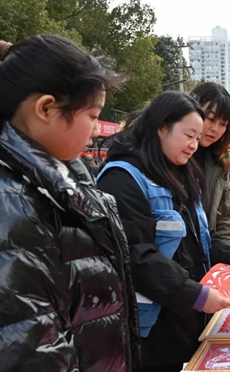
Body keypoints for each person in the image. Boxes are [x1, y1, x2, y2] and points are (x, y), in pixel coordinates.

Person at [0, 36, 140, 371]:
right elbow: (29, 348)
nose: (95, 131)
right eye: (92, 116)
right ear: (46, 108)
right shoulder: (14, 202)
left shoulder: (60, 182)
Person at [97, 92, 230, 371]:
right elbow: (136, 255)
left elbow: (200, 237)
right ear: (161, 127)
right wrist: (196, 294)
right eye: (189, 135)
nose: (195, 145)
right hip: (148, 329)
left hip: (182, 318)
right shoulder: (122, 178)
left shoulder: (181, 172)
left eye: (198, 138)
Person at [191, 82, 230, 245]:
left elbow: (226, 220)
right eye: (210, 119)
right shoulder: (170, 156)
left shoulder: (220, 164)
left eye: (223, 124)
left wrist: (227, 259)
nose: (215, 129)